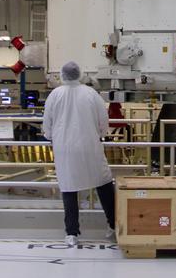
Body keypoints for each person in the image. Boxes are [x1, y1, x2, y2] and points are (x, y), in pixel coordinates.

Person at [42, 61, 116, 246]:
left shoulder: (55, 95)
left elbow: (47, 123)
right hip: (90, 145)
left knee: (69, 187)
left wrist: (51, 136)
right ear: (80, 74)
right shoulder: (91, 94)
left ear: (62, 75)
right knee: (103, 183)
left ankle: (72, 233)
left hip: (64, 148)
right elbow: (103, 121)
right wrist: (100, 134)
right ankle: (114, 226)